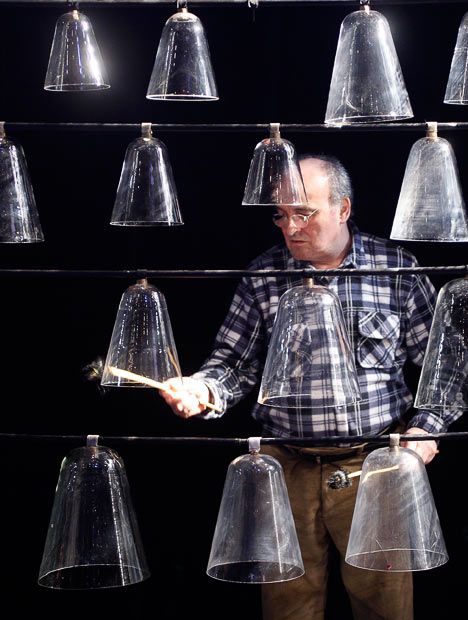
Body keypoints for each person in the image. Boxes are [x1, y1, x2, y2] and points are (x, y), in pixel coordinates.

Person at [160, 155, 460, 620]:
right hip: (287, 466)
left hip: (375, 467)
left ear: (342, 209)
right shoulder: (266, 275)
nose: (290, 227)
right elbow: (232, 365)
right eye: (281, 214)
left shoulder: (394, 269)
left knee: (386, 608)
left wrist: (427, 429)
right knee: (287, 610)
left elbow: (445, 368)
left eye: (304, 213)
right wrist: (202, 390)